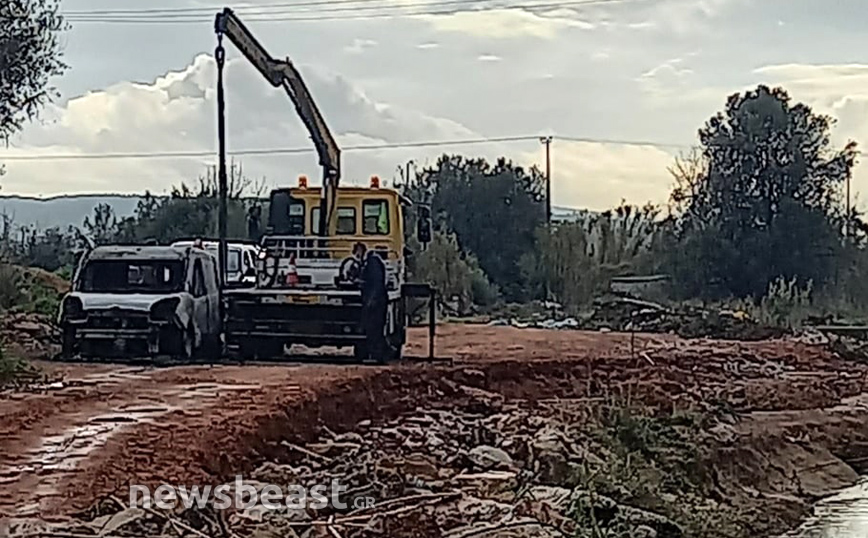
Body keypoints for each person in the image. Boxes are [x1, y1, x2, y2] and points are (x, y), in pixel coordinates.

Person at [357, 243, 390, 362]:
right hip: (377, 300)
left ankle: (378, 356)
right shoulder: (372, 261)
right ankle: (376, 355)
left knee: (375, 329)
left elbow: (377, 283)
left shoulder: (373, 262)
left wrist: (371, 300)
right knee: (374, 329)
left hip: (377, 302)